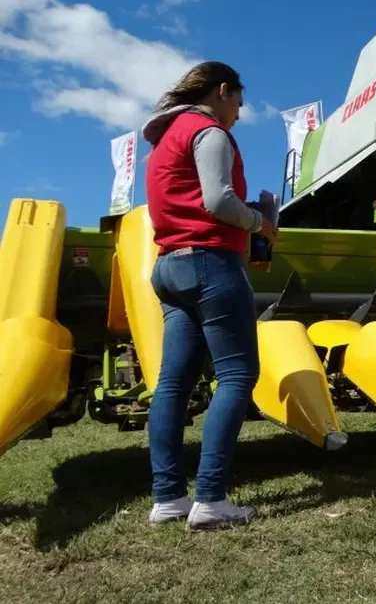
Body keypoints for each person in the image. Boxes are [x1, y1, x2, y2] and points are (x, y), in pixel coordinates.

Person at [142, 61, 278, 531]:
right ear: (222, 91)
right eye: (237, 104)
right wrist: (261, 223)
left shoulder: (163, 142)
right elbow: (217, 200)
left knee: (173, 384)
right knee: (238, 374)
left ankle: (168, 498)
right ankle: (212, 499)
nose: (238, 115)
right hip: (210, 261)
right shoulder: (209, 132)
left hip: (169, 265)